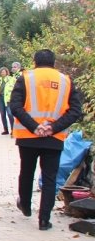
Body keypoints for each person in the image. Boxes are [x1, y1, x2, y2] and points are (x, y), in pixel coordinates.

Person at [10, 49, 83, 230]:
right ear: (54, 62)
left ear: (35, 61)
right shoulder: (65, 81)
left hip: (28, 137)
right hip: (54, 138)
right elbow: (75, 111)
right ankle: (44, 220)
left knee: (26, 172)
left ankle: (25, 206)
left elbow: (15, 106)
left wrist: (34, 126)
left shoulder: (25, 78)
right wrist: (53, 127)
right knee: (50, 178)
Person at [0, 66, 16, 135]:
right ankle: (5, 130)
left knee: (10, 114)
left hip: (8, 99)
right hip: (0, 99)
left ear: (7, 72)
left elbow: (14, 88)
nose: (3, 73)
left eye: (4, 72)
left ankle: (13, 130)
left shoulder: (11, 79)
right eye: (1, 72)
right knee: (2, 115)